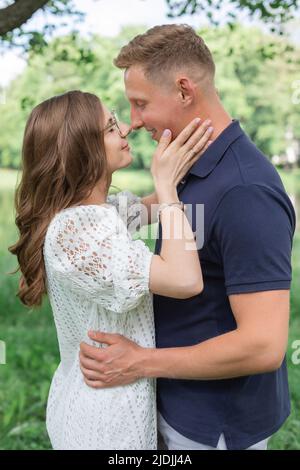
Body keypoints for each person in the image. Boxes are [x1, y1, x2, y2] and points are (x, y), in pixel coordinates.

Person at [79, 24, 296, 450]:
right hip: (174, 400)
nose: (134, 121)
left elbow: (264, 345)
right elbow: (128, 214)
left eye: (140, 104)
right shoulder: (190, 166)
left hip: (212, 427)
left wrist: (139, 362)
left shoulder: (244, 191)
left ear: (183, 90)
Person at [9, 89, 213, 449]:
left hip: (107, 408)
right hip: (104, 427)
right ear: (80, 150)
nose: (125, 130)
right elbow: (185, 280)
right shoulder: (78, 229)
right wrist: (167, 189)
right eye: (109, 128)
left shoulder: (101, 213)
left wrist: (191, 179)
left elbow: (162, 212)